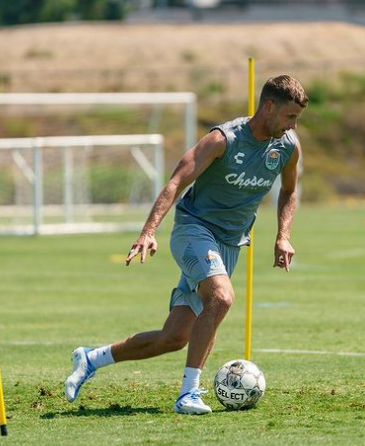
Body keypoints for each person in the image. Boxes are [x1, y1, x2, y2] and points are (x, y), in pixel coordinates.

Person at [65, 75, 308, 414]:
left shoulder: (288, 147)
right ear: (269, 107)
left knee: (174, 337)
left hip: (230, 243)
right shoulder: (223, 140)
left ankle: (91, 359)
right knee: (221, 297)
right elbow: (177, 181)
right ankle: (188, 394)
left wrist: (283, 235)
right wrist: (149, 231)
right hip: (193, 230)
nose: (293, 125)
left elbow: (289, 191)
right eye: (290, 116)